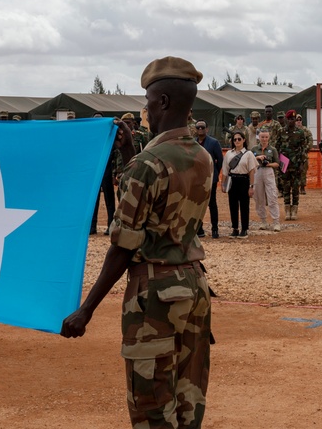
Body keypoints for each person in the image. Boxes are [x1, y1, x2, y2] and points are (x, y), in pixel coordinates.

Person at [60, 57, 212, 428]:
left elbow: (124, 245)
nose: (144, 111)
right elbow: (161, 200)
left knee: (152, 406)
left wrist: (87, 309)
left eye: (147, 102)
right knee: (187, 398)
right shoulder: (202, 156)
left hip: (155, 294)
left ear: (162, 102)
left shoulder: (148, 165)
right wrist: (131, 154)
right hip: (193, 285)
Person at [220, 131, 257, 237]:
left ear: (244, 140)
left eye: (239, 139)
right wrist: (223, 184)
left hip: (244, 180)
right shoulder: (228, 153)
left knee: (244, 205)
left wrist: (251, 186)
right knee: (233, 205)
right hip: (232, 180)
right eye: (234, 139)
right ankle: (235, 228)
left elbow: (251, 171)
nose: (237, 141)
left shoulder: (248, 154)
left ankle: (244, 229)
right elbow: (225, 170)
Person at [194, 120, 224, 238]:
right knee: (197, 205)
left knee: (212, 204)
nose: (200, 129)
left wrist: (214, 172)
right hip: (196, 180)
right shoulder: (193, 143)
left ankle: (215, 229)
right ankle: (199, 229)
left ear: (207, 129)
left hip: (210, 178)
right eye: (198, 127)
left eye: (202, 127)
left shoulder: (214, 143)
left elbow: (220, 160)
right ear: (196, 129)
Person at [279, 110, 307, 220]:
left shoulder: (300, 133)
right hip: (284, 163)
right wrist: (279, 163)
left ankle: (294, 210)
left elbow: (303, 149)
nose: (291, 121)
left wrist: (302, 164)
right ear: (286, 119)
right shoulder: (281, 132)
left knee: (295, 188)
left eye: (293, 119)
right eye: (289, 119)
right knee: (285, 187)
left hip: (296, 164)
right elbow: (277, 147)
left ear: (295, 120)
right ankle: (287, 210)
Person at [251, 130, 281, 231]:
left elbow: (277, 163)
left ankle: (276, 222)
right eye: (262, 137)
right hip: (257, 171)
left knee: (272, 196)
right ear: (259, 137)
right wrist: (257, 157)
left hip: (268, 171)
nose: (264, 139)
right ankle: (263, 221)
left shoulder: (272, 149)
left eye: (266, 137)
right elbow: (249, 161)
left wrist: (269, 164)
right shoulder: (254, 149)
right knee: (259, 197)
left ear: (269, 138)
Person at [296, 114, 313, 195]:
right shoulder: (292, 130)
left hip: (303, 154)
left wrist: (305, 149)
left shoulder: (306, 130)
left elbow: (310, 141)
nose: (298, 121)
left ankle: (302, 187)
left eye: (300, 120)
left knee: (303, 171)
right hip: (294, 155)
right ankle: (295, 187)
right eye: (297, 120)